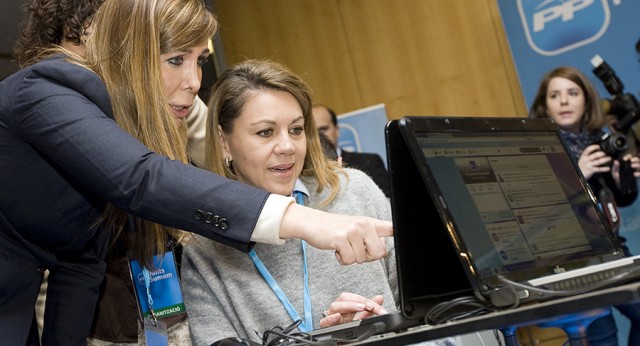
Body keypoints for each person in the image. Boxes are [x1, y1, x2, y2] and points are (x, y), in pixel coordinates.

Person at [0, 1, 392, 345]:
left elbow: (81, 261)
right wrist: (300, 218)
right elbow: (143, 179)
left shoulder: (129, 121)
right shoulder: (43, 89)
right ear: (128, 52)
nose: (194, 81)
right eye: (175, 60)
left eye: (200, 61)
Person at [12, 1, 206, 343]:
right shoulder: (47, 104)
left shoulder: (176, 100)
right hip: (95, 311)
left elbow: (222, 182)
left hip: (165, 296)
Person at [180, 59, 397, 345]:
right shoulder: (204, 247)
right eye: (265, 132)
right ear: (224, 142)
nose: (287, 147)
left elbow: (429, 310)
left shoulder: (353, 191)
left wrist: (381, 326)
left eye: (295, 130)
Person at [530, 66, 640, 346]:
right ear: (545, 105)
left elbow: (620, 201)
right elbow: (543, 209)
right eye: (555, 95)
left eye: (572, 93)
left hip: (613, 250)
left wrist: (619, 179)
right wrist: (579, 172)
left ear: (587, 100)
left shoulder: (601, 142)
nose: (564, 101)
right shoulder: (536, 147)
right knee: (602, 338)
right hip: (573, 263)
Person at [312, 104, 391, 197]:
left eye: (323, 129)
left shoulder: (369, 162)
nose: (318, 136)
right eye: (312, 132)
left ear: (337, 131)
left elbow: (389, 203)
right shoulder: (302, 174)